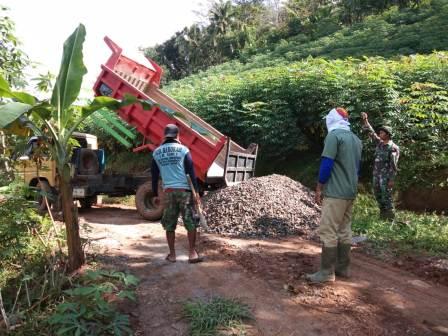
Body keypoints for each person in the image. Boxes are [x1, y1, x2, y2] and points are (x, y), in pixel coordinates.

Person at [306, 107, 362, 283]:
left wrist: (319, 186)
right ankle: (343, 268)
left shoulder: (334, 136)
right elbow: (357, 168)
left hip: (335, 193)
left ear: (331, 119)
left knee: (328, 230)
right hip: (350, 192)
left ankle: (326, 273)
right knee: (345, 230)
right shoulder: (356, 139)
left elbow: (327, 164)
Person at [151, 124, 203, 263]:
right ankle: (192, 253)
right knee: (190, 222)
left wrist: (155, 194)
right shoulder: (183, 150)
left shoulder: (156, 153)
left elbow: (154, 176)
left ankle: (172, 255)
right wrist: (196, 192)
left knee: (169, 224)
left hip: (168, 193)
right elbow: (191, 173)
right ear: (177, 136)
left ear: (165, 135)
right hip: (184, 192)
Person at [361, 112, 400, 220]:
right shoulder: (379, 143)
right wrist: (365, 120)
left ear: (387, 134)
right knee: (378, 195)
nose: (380, 134)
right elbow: (371, 132)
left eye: (382, 132)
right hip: (376, 175)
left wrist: (391, 179)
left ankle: (391, 218)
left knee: (386, 196)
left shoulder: (393, 148)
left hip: (386, 177)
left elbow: (394, 165)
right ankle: (382, 216)